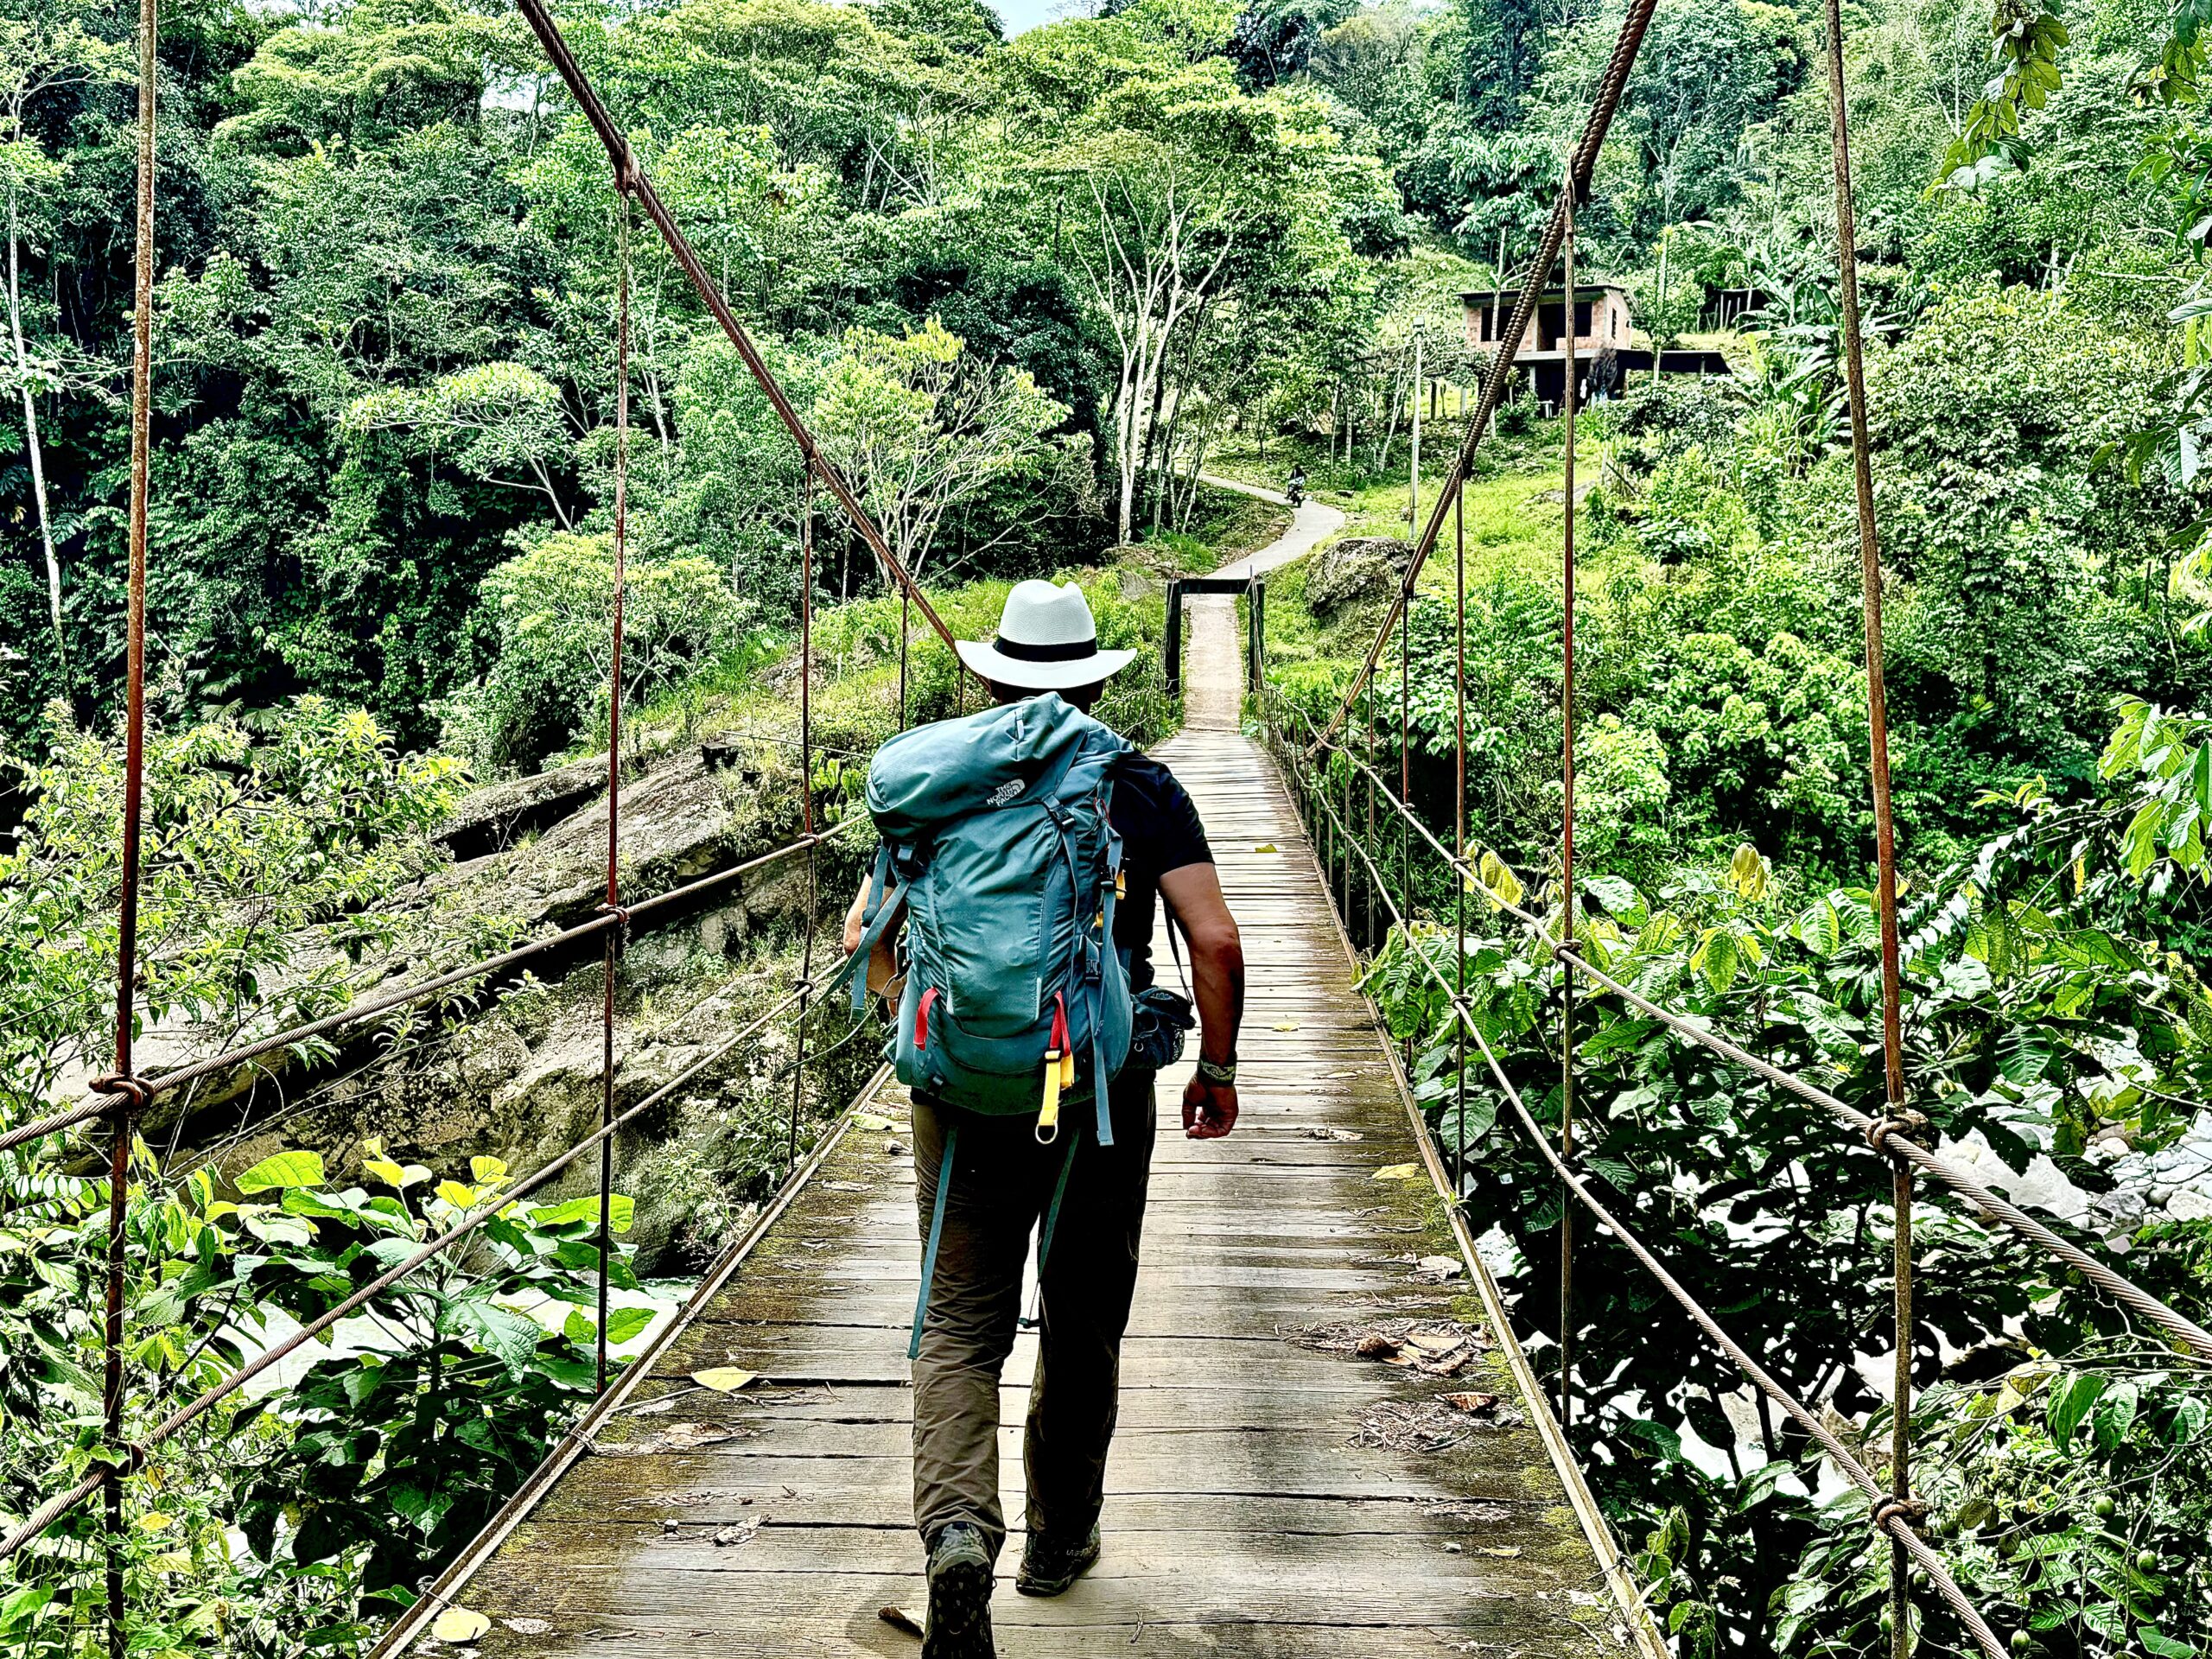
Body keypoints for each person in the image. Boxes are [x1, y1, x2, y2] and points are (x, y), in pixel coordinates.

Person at [843, 580, 1245, 1659]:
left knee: (963, 1324)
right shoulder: (1138, 784)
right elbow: (1215, 943)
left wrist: (950, 1025)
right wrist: (1215, 1064)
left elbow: (868, 949)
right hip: (1103, 1097)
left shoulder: (934, 782)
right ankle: (1058, 1542)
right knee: (1082, 1318)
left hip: (964, 1097)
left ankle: (958, 1538)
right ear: (1095, 679)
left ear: (990, 675)